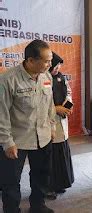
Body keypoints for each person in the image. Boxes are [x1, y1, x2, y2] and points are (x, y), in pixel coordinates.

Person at [0, 39, 56, 213]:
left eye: (50, 60)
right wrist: (7, 142)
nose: (50, 64)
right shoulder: (8, 80)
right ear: (30, 60)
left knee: (40, 176)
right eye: (46, 61)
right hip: (18, 140)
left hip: (43, 137)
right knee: (11, 182)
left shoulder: (46, 77)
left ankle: (38, 206)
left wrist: (52, 126)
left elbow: (49, 105)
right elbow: (1, 113)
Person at [45, 52, 74, 200]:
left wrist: (67, 105)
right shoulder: (42, 79)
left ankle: (61, 183)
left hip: (62, 122)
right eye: (55, 66)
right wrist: (56, 109)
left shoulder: (61, 77)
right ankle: (49, 188)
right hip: (49, 123)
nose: (57, 68)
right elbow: (40, 102)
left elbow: (68, 92)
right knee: (51, 158)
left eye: (58, 66)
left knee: (62, 154)